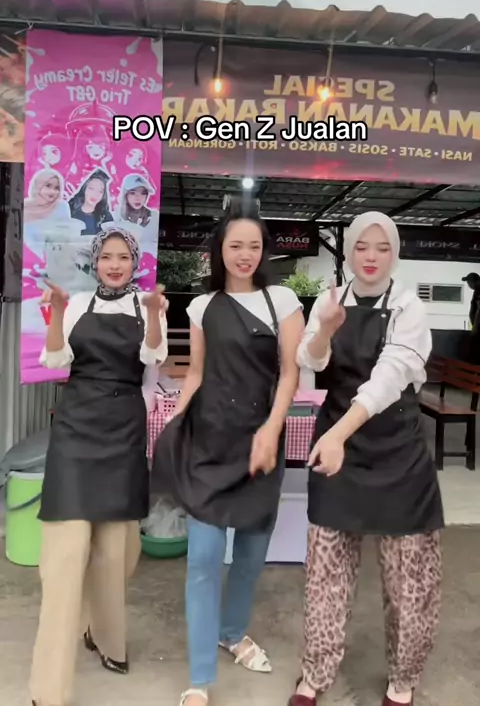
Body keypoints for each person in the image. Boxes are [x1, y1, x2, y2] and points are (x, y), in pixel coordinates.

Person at [152, 197, 305, 706]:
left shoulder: (282, 301)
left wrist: (272, 429)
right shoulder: (202, 306)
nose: (245, 255)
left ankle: (233, 632)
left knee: (250, 557)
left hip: (262, 441)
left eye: (253, 246)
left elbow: (290, 373)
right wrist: (175, 420)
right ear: (220, 249)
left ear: (264, 251)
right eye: (235, 245)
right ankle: (200, 678)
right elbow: (197, 373)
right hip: (210, 443)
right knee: (202, 558)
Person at [287, 211, 444, 706]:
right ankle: (315, 674)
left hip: (397, 451)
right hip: (338, 455)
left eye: (382, 247)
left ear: (395, 253)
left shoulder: (409, 307)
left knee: (410, 581)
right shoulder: (330, 301)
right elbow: (309, 361)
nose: (371, 257)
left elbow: (389, 375)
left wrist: (337, 434)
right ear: (350, 251)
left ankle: (403, 680)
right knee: (325, 573)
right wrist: (324, 330)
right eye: (361, 246)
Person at [30, 227, 169, 706]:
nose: (114, 264)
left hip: (123, 431)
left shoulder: (146, 307)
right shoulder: (76, 305)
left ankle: (105, 637)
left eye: (123, 257)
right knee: (65, 557)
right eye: (106, 256)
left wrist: (156, 315)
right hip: (76, 431)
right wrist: (57, 313)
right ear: (96, 261)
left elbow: (154, 356)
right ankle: (48, 688)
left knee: (117, 551)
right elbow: (55, 360)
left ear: (134, 264)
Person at [68, 169, 113, 236]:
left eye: (100, 191)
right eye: (91, 188)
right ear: (84, 188)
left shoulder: (105, 216)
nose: (95, 194)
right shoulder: (69, 210)